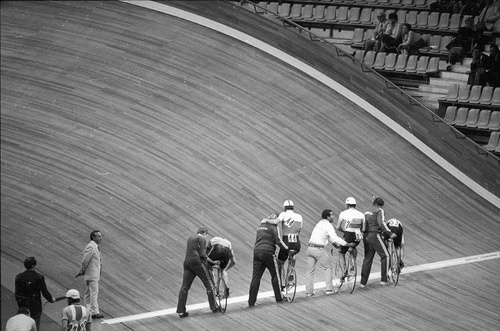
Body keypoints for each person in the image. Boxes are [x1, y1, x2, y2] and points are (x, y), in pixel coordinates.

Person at [306, 209, 354, 297]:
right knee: (328, 268)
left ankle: (309, 292)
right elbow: (334, 238)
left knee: (310, 271)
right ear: (327, 217)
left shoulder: (319, 223)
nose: (333, 216)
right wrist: (346, 244)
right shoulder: (328, 225)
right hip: (318, 249)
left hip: (309, 248)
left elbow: (327, 237)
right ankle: (329, 289)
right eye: (331, 215)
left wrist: (335, 245)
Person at [176, 227, 221, 318]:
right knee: (210, 285)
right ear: (204, 233)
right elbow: (202, 255)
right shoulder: (202, 239)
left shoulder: (191, 238)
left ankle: (181, 311)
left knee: (184, 287)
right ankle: (214, 307)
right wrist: (213, 262)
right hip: (197, 263)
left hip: (187, 263)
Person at [248, 212, 288, 307]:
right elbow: (278, 241)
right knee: (275, 275)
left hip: (257, 252)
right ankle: (279, 297)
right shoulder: (274, 227)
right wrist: (286, 249)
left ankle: (251, 302)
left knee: (255, 278)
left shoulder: (260, 226)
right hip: (268, 252)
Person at [360, 197, 396, 288]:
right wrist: (390, 233)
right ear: (381, 205)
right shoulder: (379, 210)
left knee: (367, 258)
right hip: (374, 235)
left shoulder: (366, 211)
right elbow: (381, 223)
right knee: (386, 256)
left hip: (366, 236)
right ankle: (384, 280)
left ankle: (363, 283)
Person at [15, 257, 55, 330]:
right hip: (35, 306)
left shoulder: (18, 277)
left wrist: (20, 305)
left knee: (23, 325)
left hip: (23, 306)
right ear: (33, 265)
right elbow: (44, 292)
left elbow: (17, 294)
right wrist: (50, 299)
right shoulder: (39, 277)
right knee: (35, 325)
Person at [335, 197, 365, 280]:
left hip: (348, 234)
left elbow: (337, 227)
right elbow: (363, 229)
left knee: (341, 252)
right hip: (357, 236)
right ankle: (352, 263)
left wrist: (344, 231)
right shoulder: (361, 214)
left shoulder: (343, 213)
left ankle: (344, 271)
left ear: (347, 205)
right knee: (353, 247)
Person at [76, 230, 103, 319]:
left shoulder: (94, 246)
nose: (101, 238)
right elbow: (85, 260)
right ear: (93, 237)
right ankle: (95, 312)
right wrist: (83, 270)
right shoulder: (91, 247)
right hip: (92, 274)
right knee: (94, 293)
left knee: (88, 293)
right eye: (99, 236)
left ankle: (87, 311)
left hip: (92, 274)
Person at [276, 200, 303, 287]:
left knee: (280, 262)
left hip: (286, 242)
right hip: (296, 243)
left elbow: (277, 222)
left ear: (284, 208)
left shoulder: (283, 214)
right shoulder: (299, 216)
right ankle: (291, 271)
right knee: (293, 255)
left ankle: (281, 282)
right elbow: (299, 230)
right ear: (293, 208)